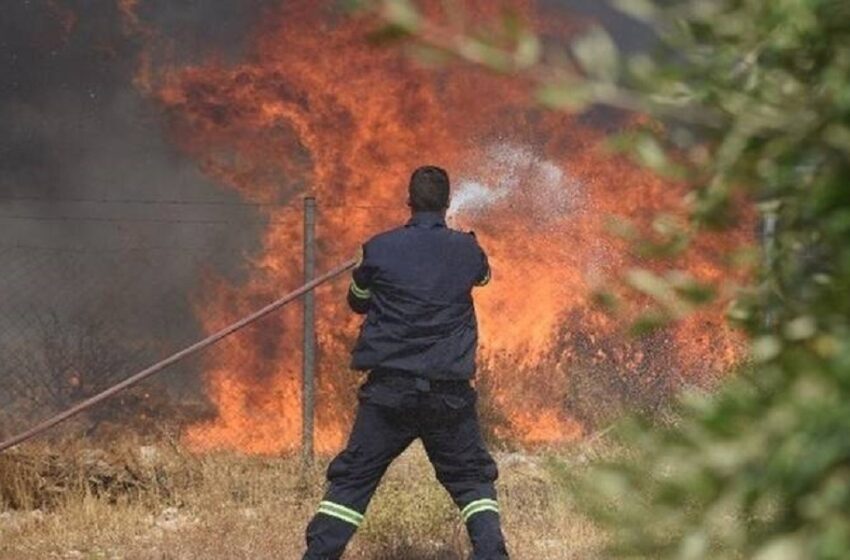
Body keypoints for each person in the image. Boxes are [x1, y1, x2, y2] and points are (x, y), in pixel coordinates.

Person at [302, 165, 509, 559]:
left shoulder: (378, 248)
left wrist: (366, 268)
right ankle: (491, 553)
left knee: (353, 483)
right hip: (448, 396)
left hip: (389, 394)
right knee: (472, 481)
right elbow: (482, 278)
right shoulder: (466, 249)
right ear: (448, 203)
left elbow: (357, 300)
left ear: (408, 201)